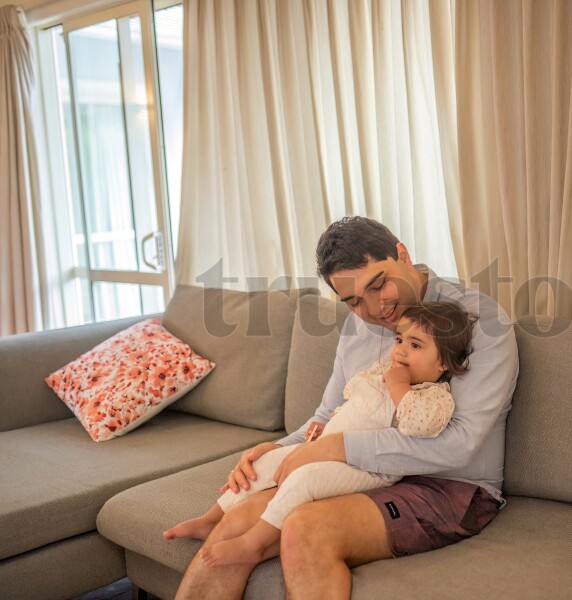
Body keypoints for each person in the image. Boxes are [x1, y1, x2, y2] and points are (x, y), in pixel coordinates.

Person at [173, 217, 518, 600]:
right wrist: (278, 449)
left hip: (448, 487)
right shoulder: (357, 329)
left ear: (402, 255)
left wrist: (336, 447)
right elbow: (327, 416)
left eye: (378, 284)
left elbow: (460, 444)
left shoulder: (477, 319)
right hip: (360, 471)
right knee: (237, 522)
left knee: (306, 526)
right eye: (353, 301)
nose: (374, 308)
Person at [163, 301, 476, 568]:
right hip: (327, 445)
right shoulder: (383, 371)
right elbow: (355, 405)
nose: (401, 351)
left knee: (305, 478)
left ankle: (254, 543)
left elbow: (418, 425)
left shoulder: (434, 396)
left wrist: (399, 386)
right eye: (399, 340)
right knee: (266, 461)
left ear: (443, 362)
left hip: (369, 469)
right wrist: (329, 426)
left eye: (416, 345)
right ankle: (210, 519)